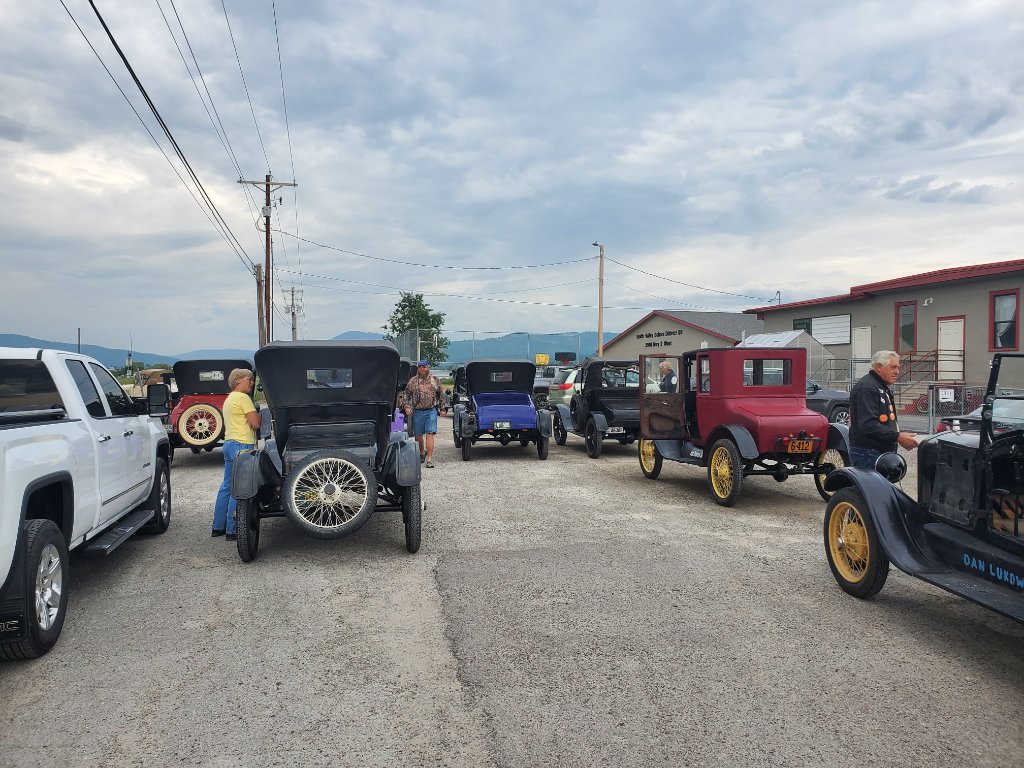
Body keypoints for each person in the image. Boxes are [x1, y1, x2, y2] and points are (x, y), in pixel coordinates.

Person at [212, 368, 261, 540]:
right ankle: (233, 529)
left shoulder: (229, 398)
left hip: (229, 443)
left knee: (227, 485)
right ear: (239, 380)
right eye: (249, 379)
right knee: (240, 488)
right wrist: (259, 415)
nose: (252, 382)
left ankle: (218, 526)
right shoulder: (243, 398)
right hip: (242, 444)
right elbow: (255, 424)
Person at [849, 350, 918, 470]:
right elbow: (868, 425)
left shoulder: (879, 386)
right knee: (872, 483)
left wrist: (898, 437)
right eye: (893, 367)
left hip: (878, 452)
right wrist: (898, 436)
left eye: (898, 368)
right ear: (879, 367)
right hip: (869, 452)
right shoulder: (867, 387)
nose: (897, 371)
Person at [405, 360, 446, 468]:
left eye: (425, 367)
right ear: (418, 368)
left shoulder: (435, 380)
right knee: (418, 435)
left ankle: (429, 459)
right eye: (421, 367)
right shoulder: (413, 381)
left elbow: (441, 395)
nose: (423, 369)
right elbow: (406, 395)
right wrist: (407, 406)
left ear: (428, 368)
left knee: (430, 433)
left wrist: (442, 408)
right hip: (417, 411)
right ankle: (422, 453)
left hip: (431, 410)